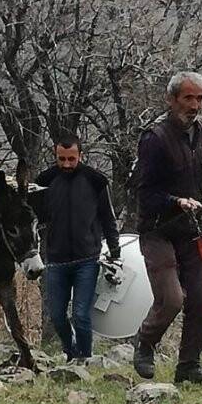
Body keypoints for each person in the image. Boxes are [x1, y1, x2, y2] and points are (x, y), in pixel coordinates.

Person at [132, 71, 202, 385]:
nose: (194, 105)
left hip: (195, 231)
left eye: (200, 98)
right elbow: (144, 192)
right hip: (158, 230)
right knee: (172, 299)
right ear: (171, 100)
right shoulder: (155, 138)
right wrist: (176, 201)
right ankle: (144, 342)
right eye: (188, 98)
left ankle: (189, 367)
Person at [35, 133, 121, 361]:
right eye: (61, 159)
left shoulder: (96, 181)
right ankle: (70, 352)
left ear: (80, 155)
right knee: (56, 316)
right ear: (55, 156)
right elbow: (33, 219)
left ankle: (85, 358)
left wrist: (116, 254)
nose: (66, 164)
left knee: (81, 314)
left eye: (71, 159)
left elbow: (108, 219)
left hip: (87, 259)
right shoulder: (44, 181)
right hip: (55, 260)